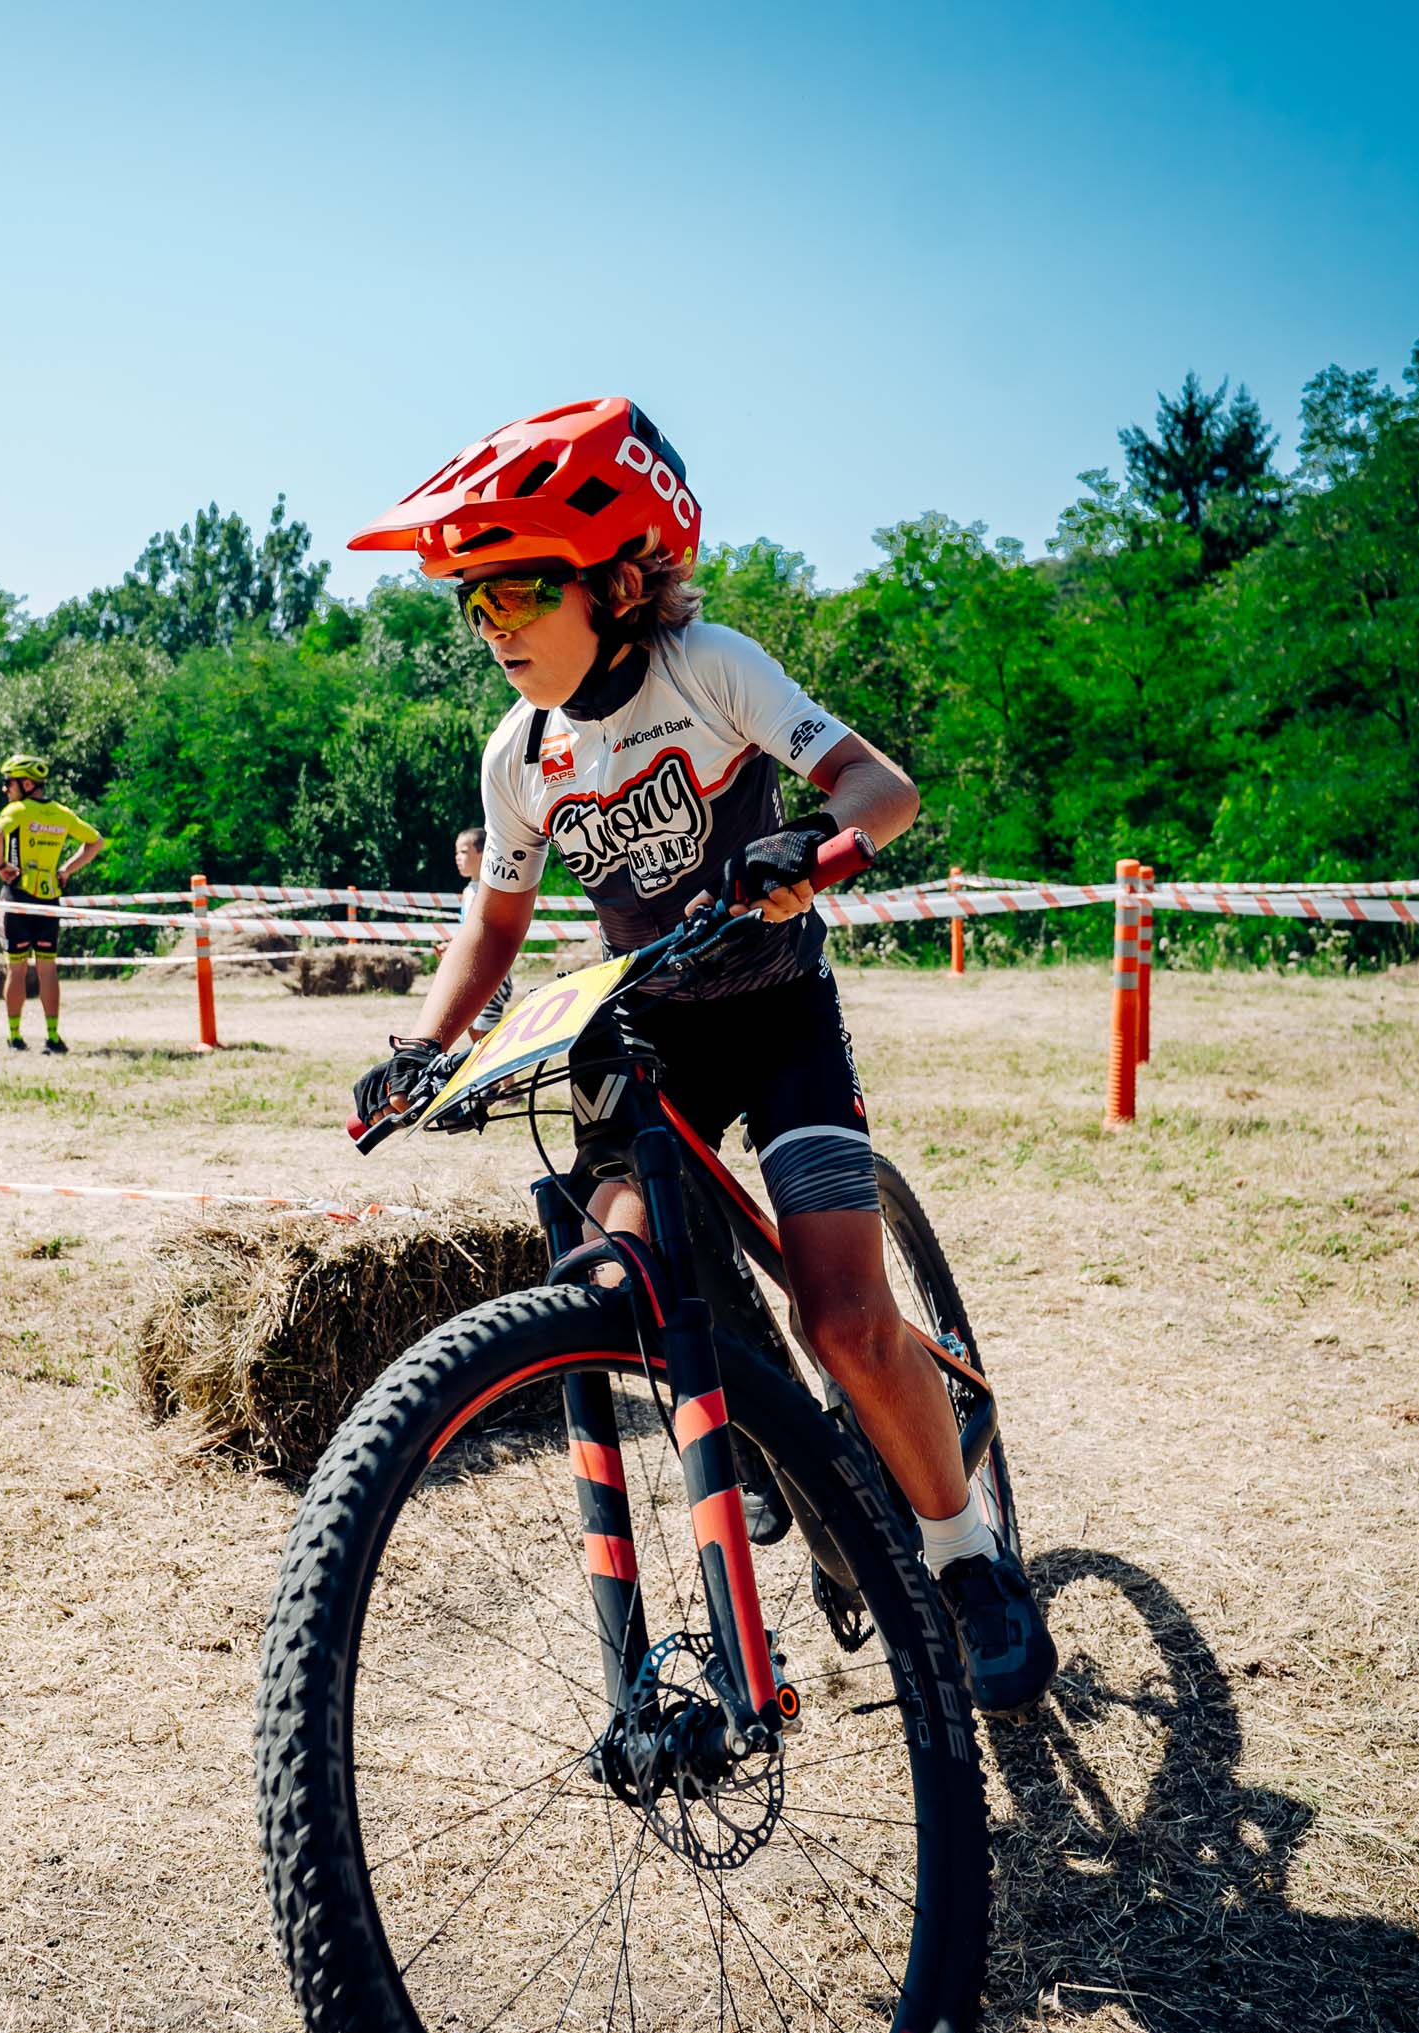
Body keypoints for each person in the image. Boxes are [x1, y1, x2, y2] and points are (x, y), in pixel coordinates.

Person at [345, 397, 1053, 1714]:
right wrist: (421, 1045)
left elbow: (882, 791)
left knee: (843, 1319)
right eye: (473, 602)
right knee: (622, 1274)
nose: (492, 625)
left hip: (777, 1015)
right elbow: (495, 918)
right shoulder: (521, 752)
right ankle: (768, 1451)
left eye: (519, 590)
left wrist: (812, 851)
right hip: (648, 1030)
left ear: (617, 583)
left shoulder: (707, 667)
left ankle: (967, 1561)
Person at [0, 754, 108, 1053]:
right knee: (47, 969)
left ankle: (15, 1037)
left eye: (9, 783)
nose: (5, 789)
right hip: (50, 898)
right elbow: (96, 842)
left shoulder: (17, 810)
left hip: (18, 896)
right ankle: (53, 1037)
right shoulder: (61, 813)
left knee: (16, 969)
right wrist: (66, 870)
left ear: (27, 784)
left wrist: (1, 865)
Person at [445, 825, 513, 1042]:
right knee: (473, 1029)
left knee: (487, 1036)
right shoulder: (469, 891)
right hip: (472, 970)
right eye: (457, 852)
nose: (458, 857)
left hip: (490, 971)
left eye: (464, 852)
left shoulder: (490, 891)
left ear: (483, 853)